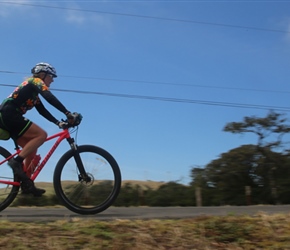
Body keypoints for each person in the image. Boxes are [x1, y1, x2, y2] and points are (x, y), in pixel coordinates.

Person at [0, 62, 79, 197]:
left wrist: (58, 123)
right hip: (10, 114)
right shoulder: (34, 81)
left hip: (8, 117)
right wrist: (67, 113)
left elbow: (42, 111)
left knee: (31, 149)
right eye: (51, 77)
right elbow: (49, 97)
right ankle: (16, 162)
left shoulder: (34, 94)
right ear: (43, 75)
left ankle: (26, 184)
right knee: (41, 135)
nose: (52, 80)